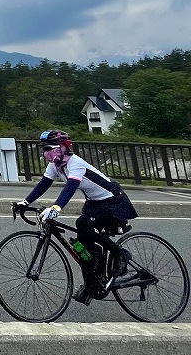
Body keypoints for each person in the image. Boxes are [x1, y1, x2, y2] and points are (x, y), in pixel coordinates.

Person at [14, 128, 139, 304]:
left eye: (49, 148)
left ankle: (121, 254)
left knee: (84, 224)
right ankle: (92, 284)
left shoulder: (76, 163)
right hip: (94, 202)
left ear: (63, 148)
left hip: (112, 199)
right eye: (44, 149)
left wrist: (56, 208)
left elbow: (70, 188)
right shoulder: (55, 165)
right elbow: (44, 184)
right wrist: (25, 202)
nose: (46, 153)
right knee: (82, 245)